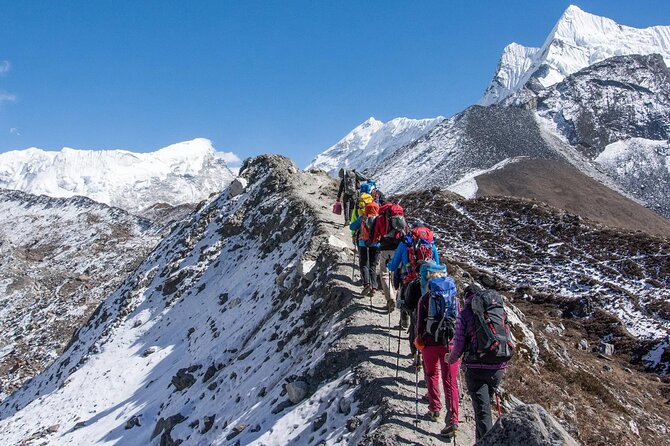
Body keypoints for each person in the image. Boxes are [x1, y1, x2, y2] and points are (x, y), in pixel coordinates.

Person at [447, 284, 509, 441]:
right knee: (483, 409)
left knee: (482, 413)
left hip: (476, 368)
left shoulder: (465, 313)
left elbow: (459, 344)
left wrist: (451, 359)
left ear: (465, 297)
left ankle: (487, 441)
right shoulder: (495, 311)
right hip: (498, 367)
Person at [414, 269, 460, 436]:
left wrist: (419, 342)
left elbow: (419, 324)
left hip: (430, 343)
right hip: (450, 344)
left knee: (432, 374)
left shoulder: (425, 299)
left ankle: (434, 410)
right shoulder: (454, 300)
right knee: (450, 381)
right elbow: (459, 324)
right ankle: (453, 420)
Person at [387, 220, 439, 327]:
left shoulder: (405, 243)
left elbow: (394, 265)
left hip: (409, 277)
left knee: (403, 297)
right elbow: (437, 265)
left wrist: (388, 264)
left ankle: (404, 320)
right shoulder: (431, 245)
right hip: (426, 280)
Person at [349, 202, 381, 296]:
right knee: (373, 265)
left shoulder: (363, 217)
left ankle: (366, 283)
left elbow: (352, 227)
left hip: (363, 243)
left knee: (363, 264)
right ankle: (374, 287)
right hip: (376, 244)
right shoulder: (379, 218)